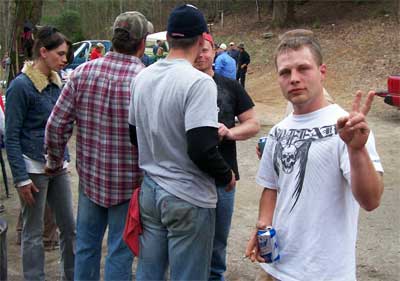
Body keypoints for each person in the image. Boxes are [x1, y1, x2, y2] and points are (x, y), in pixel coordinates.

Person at [245, 32, 384, 281]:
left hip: (324, 273)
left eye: (303, 69)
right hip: (276, 268)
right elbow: (271, 187)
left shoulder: (346, 127)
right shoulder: (278, 131)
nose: (294, 79)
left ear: (322, 71)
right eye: (285, 72)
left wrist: (357, 150)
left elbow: (371, 200)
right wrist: (263, 225)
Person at [129, 4, 235, 281]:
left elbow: (134, 135)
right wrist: (226, 175)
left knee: (149, 273)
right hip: (188, 196)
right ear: (202, 40)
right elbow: (201, 147)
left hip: (151, 190)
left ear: (167, 40)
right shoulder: (199, 83)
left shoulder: (143, 77)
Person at [45, 11, 152, 281]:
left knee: (86, 247)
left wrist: (55, 162)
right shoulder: (146, 82)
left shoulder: (81, 74)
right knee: (120, 251)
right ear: (142, 43)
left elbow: (56, 126)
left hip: (91, 181)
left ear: (112, 39)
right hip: (129, 186)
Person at [5, 25, 75, 281]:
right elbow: (11, 136)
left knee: (69, 227)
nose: (65, 59)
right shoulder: (20, 87)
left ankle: (73, 275)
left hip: (58, 166)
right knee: (33, 233)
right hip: (32, 170)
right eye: (60, 53)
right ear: (43, 52)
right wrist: (21, 178)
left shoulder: (57, 83)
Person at [195, 33, 260, 281]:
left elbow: (253, 124)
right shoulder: (180, 84)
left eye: (206, 50)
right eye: (197, 50)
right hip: (187, 178)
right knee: (187, 244)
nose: (201, 55)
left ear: (214, 52)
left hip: (224, 177)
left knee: (217, 244)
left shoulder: (229, 86)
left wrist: (229, 132)